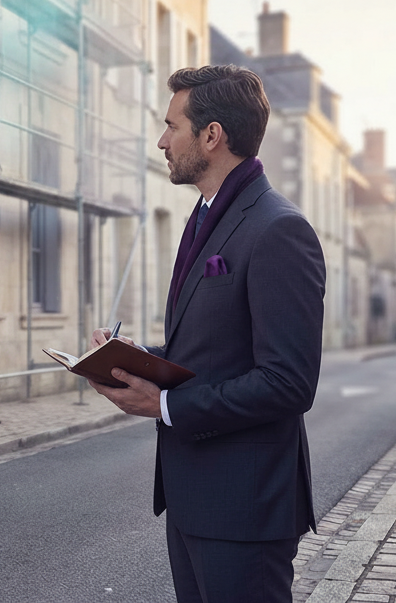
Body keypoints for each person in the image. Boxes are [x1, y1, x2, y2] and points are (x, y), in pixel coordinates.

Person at [87, 65, 325, 602]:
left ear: (212, 135)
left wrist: (166, 406)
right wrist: (133, 358)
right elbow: (211, 349)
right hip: (194, 498)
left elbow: (288, 383)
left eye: (173, 126)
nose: (161, 141)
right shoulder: (206, 215)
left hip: (246, 509)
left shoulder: (279, 229)